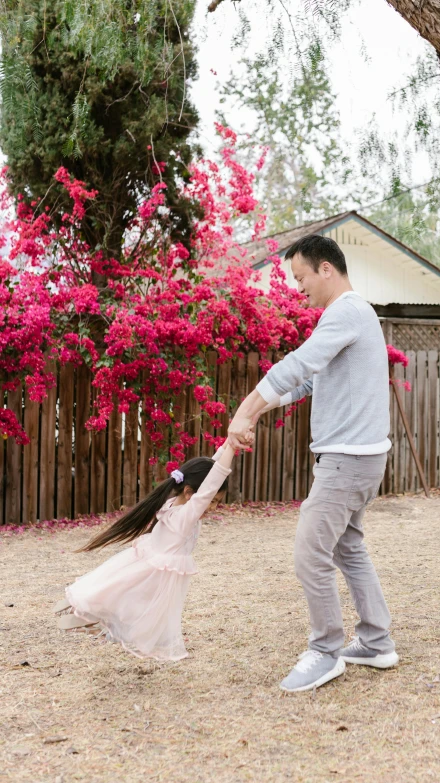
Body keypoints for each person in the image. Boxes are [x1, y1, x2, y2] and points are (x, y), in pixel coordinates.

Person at [227, 233, 398, 692]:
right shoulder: (349, 318)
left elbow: (299, 364)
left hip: (346, 461)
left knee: (310, 552)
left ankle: (325, 652)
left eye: (301, 276)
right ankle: (376, 642)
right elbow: (305, 384)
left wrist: (245, 409)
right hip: (360, 459)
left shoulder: (347, 311)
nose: (298, 286)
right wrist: (259, 411)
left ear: (326, 268)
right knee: (348, 548)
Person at [53, 441, 236, 662]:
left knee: (121, 595)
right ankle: (91, 616)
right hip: (156, 574)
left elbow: (212, 467)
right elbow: (212, 480)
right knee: (134, 609)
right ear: (190, 493)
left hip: (149, 563)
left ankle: (91, 617)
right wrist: (233, 447)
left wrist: (230, 442)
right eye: (213, 501)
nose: (214, 507)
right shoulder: (186, 515)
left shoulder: (174, 501)